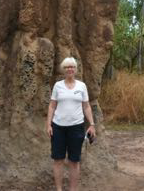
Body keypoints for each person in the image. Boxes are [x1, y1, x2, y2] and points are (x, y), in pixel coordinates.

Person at [46, 57, 96, 191]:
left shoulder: (82, 86)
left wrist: (92, 124)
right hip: (58, 128)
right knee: (58, 160)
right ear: (64, 69)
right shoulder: (58, 86)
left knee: (74, 161)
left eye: (72, 67)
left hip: (76, 127)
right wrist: (48, 125)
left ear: (75, 69)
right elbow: (52, 106)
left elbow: (86, 106)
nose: (70, 69)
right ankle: (59, 189)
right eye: (67, 67)